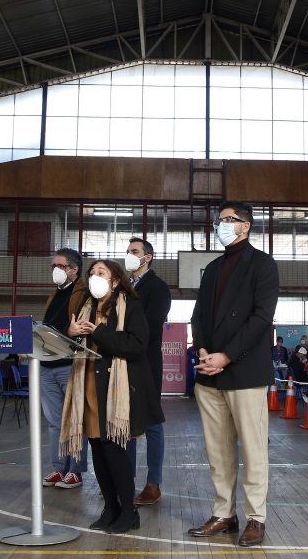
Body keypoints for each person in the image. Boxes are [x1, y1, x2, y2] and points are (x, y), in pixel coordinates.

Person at [188, 201, 279, 548]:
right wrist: (202, 351)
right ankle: (224, 513)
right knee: (218, 451)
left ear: (246, 225)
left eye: (230, 219)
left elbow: (261, 318)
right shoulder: (212, 268)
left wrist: (225, 356)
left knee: (253, 450)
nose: (222, 224)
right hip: (209, 373)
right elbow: (198, 316)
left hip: (245, 372)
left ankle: (256, 517)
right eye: (220, 220)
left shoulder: (263, 264)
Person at [62, 259, 163, 534]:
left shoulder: (130, 306)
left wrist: (98, 331)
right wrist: (70, 334)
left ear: (115, 281)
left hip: (117, 388)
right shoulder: (85, 306)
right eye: (92, 273)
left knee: (114, 451)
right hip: (88, 383)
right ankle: (110, 508)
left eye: (101, 273)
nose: (94, 276)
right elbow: (72, 346)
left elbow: (137, 345)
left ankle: (129, 511)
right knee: (97, 449)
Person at [124, 237, 172, 508]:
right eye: (128, 251)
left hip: (146, 363)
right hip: (122, 362)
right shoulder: (123, 286)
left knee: (152, 422)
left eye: (135, 251)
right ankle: (125, 479)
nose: (129, 255)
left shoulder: (158, 287)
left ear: (148, 257)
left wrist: (124, 339)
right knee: (125, 423)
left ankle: (153, 483)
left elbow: (151, 328)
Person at [39, 248, 91, 488]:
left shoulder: (84, 293)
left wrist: (69, 333)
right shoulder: (54, 294)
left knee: (75, 419)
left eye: (59, 266)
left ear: (74, 269)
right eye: (53, 266)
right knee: (54, 422)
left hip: (69, 363)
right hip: (47, 363)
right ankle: (59, 468)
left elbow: (81, 326)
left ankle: (76, 471)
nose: (55, 270)